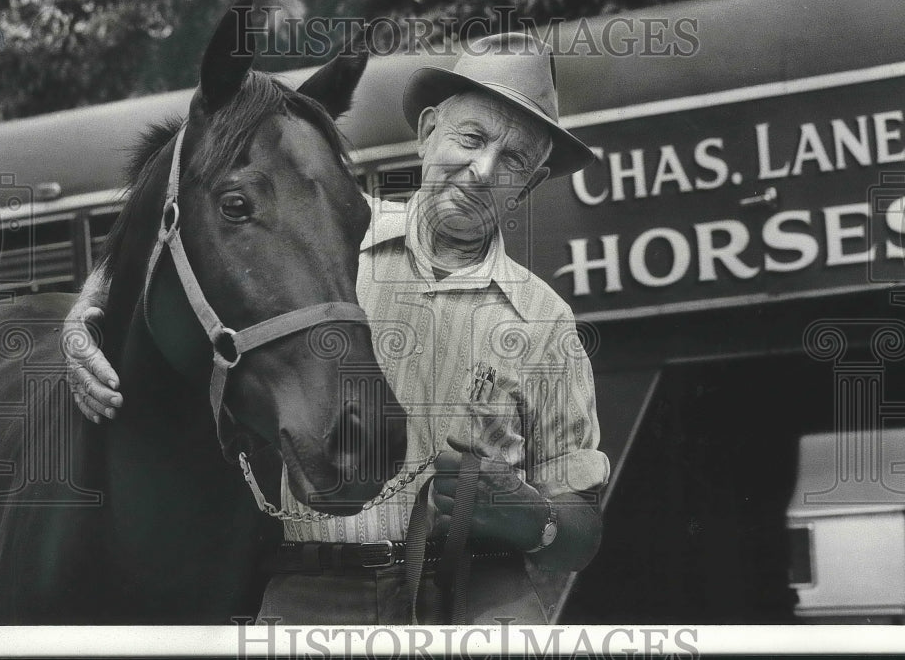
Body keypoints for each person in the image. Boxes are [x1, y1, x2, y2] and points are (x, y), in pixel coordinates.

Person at [66, 32, 610, 624]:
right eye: (472, 138)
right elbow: (179, 244)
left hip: (477, 598)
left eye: (514, 159)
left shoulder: (546, 323)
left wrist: (528, 514)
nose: (483, 171)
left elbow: (582, 533)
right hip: (309, 592)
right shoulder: (329, 234)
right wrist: (83, 313)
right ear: (428, 132)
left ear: (531, 182)